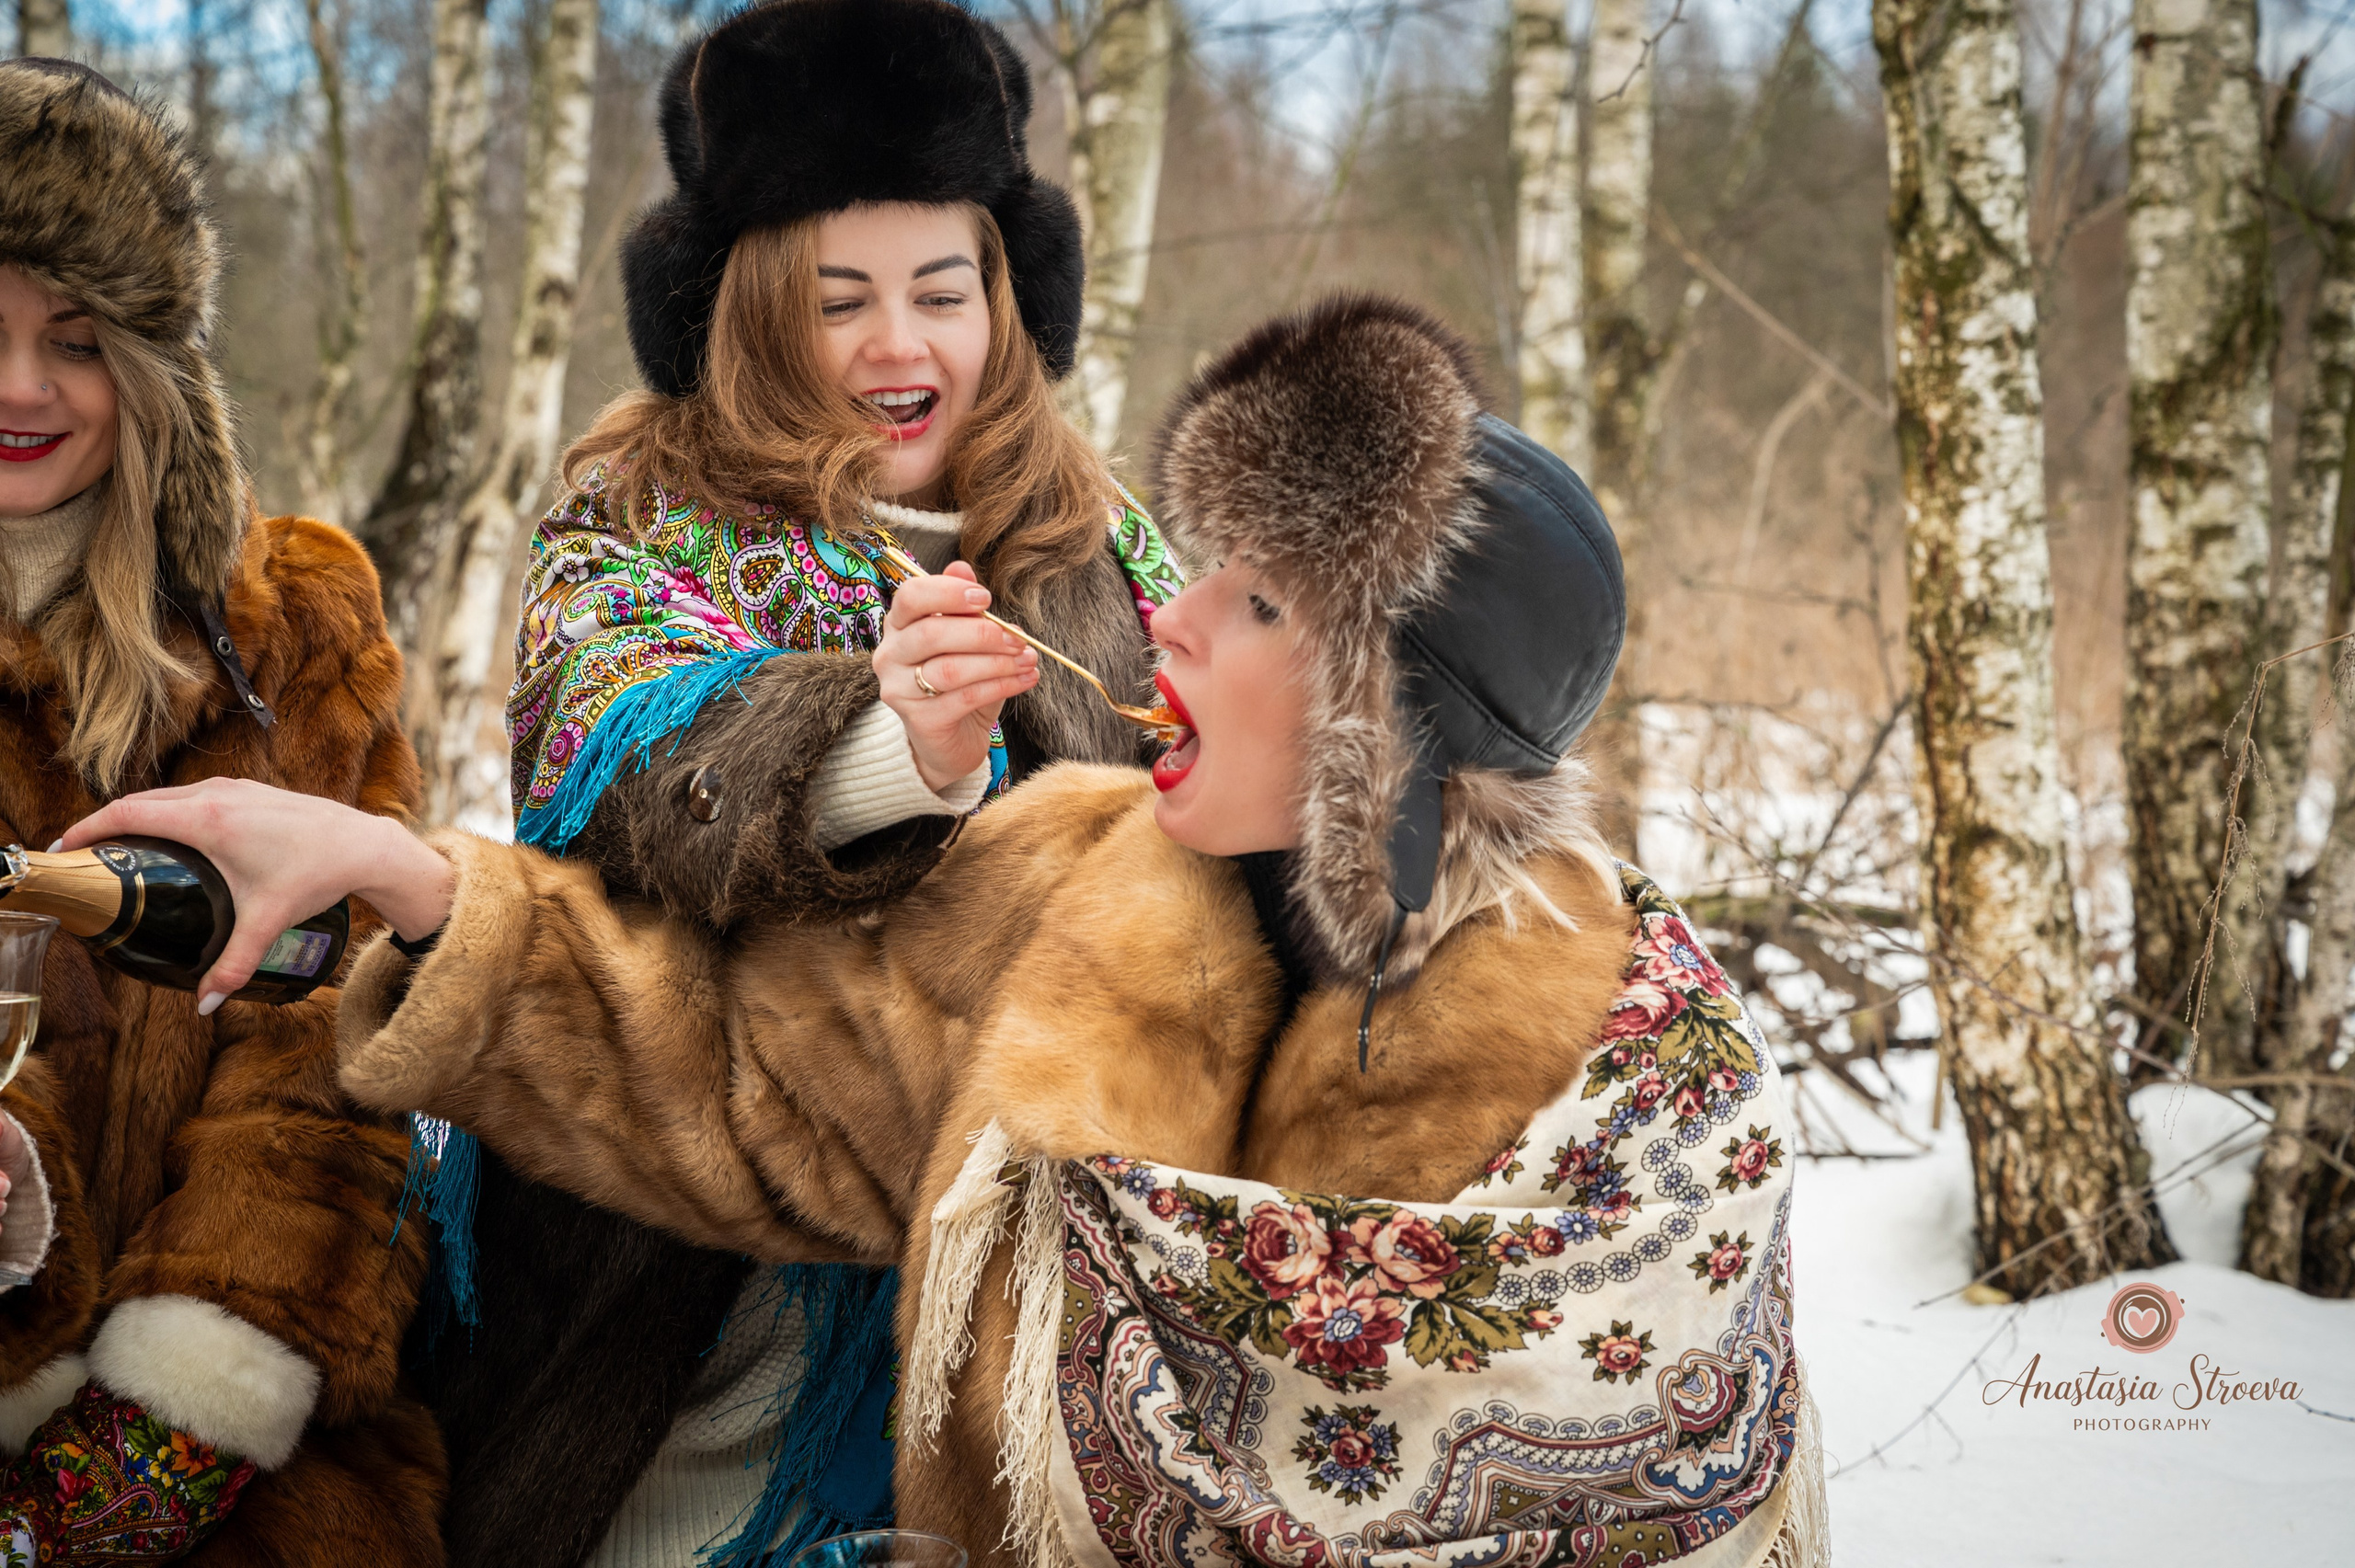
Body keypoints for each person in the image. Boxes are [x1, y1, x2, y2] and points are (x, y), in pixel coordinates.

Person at [73, 298, 1827, 1568]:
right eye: (1201, 566)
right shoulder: (1083, 872)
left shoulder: (1625, 1075)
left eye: (1262, 598)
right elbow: (726, 1065)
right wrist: (392, 873)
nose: (1175, 620)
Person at [383, 3, 1181, 1564]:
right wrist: (894, 747)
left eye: (942, 290)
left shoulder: (1099, 538)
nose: (903, 347)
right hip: (680, 1290)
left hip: (1024, 1304)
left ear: (1008, 296)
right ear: (746, 308)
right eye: (840, 299)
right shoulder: (637, 506)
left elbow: (1214, 810)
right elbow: (623, 762)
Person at [0, 58, 442, 1567]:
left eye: (74, 337)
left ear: (150, 366)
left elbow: (335, 1063)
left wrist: (128, 1473)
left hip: (227, 1463)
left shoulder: (293, 630)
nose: (20, 387)